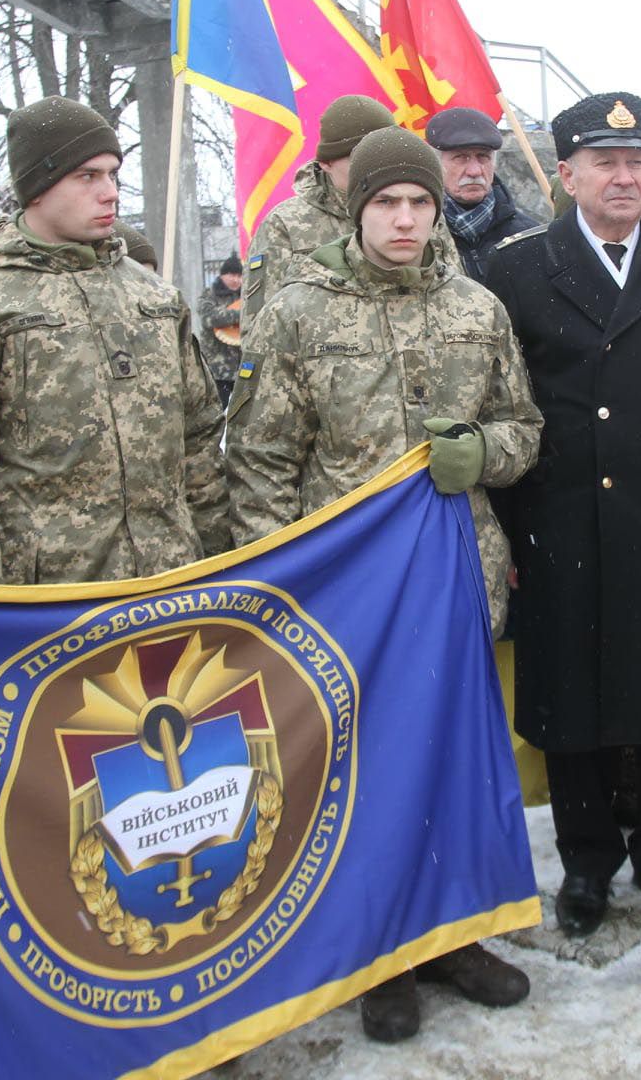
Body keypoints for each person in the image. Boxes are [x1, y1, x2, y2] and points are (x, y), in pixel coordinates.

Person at [226, 127, 542, 1043]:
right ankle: (382, 953)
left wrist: (482, 451)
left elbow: (522, 427)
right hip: (346, 588)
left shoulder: (476, 308)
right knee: (362, 771)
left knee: (453, 758)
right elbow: (260, 461)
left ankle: (458, 933)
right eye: (385, 204)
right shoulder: (295, 313)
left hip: (455, 574)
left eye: (419, 204)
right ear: (356, 207)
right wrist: (275, 585)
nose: (404, 220)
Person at [484, 91, 641, 944]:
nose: (624, 176)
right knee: (571, 695)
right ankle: (587, 861)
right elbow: (508, 403)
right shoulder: (519, 269)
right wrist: (514, 531)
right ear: (567, 174)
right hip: (562, 521)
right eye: (604, 162)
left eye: (637, 162)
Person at [0, 96, 229, 582]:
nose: (110, 193)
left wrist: (220, 563)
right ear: (37, 186)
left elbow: (198, 444)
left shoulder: (154, 297)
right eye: (88, 176)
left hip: (167, 586)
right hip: (49, 607)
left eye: (113, 174)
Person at [239, 94, 458, 334]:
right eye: (359, 156)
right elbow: (261, 329)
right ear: (326, 162)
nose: (373, 165)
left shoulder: (418, 212)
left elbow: (457, 295)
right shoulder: (286, 224)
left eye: (383, 154)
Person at [425, 105, 540, 281]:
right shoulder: (419, 235)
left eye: (483, 157)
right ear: (436, 164)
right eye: (461, 157)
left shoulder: (529, 237)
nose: (474, 171)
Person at [198, 254, 244, 409]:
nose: (236, 280)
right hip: (217, 367)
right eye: (232, 275)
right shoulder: (210, 294)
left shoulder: (246, 295)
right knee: (216, 412)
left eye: (239, 276)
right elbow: (208, 318)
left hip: (242, 367)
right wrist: (239, 315)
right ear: (222, 275)